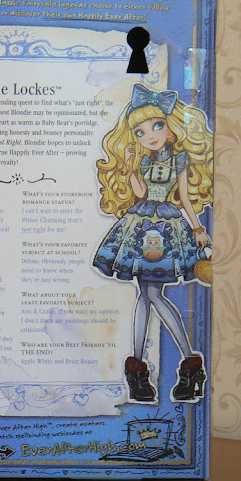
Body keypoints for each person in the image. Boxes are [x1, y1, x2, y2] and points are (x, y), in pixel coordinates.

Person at [93, 83, 213, 403]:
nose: (151, 135)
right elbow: (140, 194)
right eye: (141, 131)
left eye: (157, 125)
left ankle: (189, 362)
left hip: (166, 226)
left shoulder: (180, 159)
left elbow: (184, 197)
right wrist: (131, 167)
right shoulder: (144, 161)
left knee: (151, 294)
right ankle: (140, 370)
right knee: (145, 295)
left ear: (170, 128)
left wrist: (197, 227)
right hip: (142, 221)